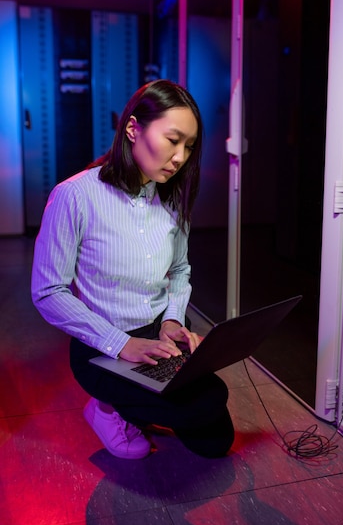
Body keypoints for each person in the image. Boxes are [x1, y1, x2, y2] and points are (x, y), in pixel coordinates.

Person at [31, 79, 234, 460]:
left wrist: (173, 321)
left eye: (189, 146)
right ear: (132, 129)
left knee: (215, 438)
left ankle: (140, 401)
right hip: (102, 345)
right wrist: (121, 344)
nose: (180, 157)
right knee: (191, 412)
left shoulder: (172, 202)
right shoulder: (75, 196)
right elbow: (48, 292)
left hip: (158, 337)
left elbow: (179, 271)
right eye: (173, 140)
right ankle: (106, 408)